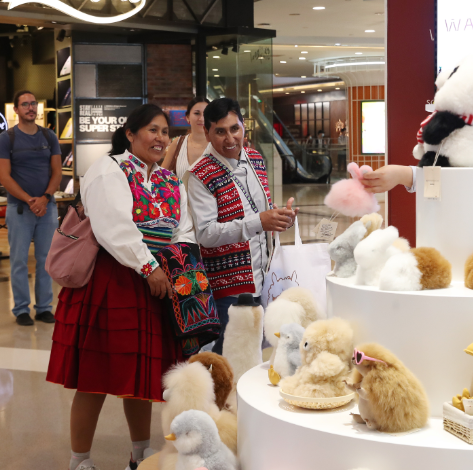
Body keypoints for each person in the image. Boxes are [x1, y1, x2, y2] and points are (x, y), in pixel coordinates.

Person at [46, 104, 195, 470]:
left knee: (141, 376)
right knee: (93, 377)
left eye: (165, 132)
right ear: (130, 134)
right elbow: (113, 226)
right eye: (152, 130)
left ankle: (140, 454)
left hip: (155, 285)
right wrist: (148, 266)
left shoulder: (170, 180)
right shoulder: (109, 169)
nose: (160, 138)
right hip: (111, 280)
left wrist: (175, 265)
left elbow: (183, 229)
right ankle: (79, 460)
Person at [187, 98, 298, 355]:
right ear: (207, 133)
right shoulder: (200, 174)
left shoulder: (255, 159)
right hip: (228, 286)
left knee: (255, 354)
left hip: (264, 277)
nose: (230, 139)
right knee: (228, 358)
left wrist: (280, 217)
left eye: (234, 128)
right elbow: (206, 234)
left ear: (243, 126)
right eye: (220, 131)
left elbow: (259, 210)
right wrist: (259, 222)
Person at [0, 90, 62, 326]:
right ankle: (21, 309)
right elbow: (4, 176)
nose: (31, 107)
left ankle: (44, 308)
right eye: (25, 104)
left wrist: (45, 198)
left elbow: (57, 172)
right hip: (19, 209)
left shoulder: (49, 136)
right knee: (19, 261)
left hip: (47, 208)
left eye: (33, 103)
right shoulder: (7, 138)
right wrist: (30, 200)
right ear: (16, 109)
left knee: (46, 260)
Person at [161, 96, 210, 180]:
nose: (201, 118)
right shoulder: (178, 143)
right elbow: (160, 176)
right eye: (197, 113)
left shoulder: (218, 144)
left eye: (206, 114)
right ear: (187, 117)